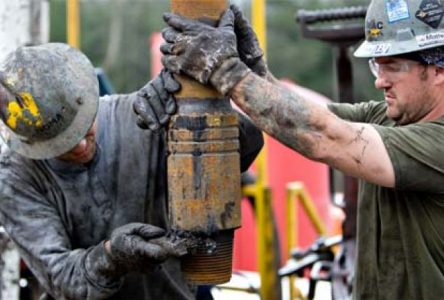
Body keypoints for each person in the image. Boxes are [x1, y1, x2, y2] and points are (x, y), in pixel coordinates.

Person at [161, 1, 444, 299]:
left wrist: (226, 70)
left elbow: (327, 136)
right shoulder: (387, 117)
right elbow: (303, 117)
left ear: (438, 68)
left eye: (393, 67)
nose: (379, 81)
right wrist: (255, 71)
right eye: (377, 65)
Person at [0, 43, 263, 299]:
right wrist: (111, 257)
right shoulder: (15, 179)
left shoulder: (143, 116)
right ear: (28, 143)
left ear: (87, 96)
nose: (79, 145)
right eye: (61, 143)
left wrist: (197, 104)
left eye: (82, 128)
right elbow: (61, 278)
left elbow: (246, 147)